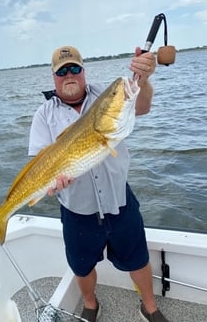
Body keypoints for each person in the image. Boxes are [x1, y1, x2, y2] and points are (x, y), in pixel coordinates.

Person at [28, 45, 169, 322]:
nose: (69, 75)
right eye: (62, 71)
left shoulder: (107, 94)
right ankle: (91, 303)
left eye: (75, 68)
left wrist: (146, 78)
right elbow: (38, 163)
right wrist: (50, 182)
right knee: (81, 267)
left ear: (83, 70)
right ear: (54, 76)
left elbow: (142, 106)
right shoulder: (43, 115)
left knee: (138, 258)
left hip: (119, 199)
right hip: (76, 209)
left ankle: (149, 306)